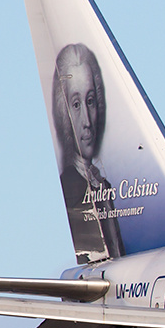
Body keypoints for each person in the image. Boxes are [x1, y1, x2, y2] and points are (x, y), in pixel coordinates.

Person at [50, 43, 124, 261]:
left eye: (90, 101)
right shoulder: (76, 185)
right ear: (64, 114)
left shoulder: (102, 186)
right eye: (75, 105)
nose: (87, 122)